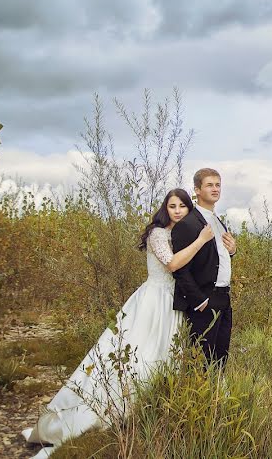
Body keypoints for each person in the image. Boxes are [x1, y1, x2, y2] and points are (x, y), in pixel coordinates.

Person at [22, 189, 215, 458]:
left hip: (173, 302)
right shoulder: (158, 234)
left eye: (182, 206)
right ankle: (114, 412)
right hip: (153, 301)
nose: (178, 211)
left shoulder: (181, 233)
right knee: (142, 355)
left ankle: (151, 411)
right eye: (172, 206)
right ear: (165, 209)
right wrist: (201, 240)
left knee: (166, 355)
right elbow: (172, 265)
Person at [171, 168, 236, 367]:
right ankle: (203, 398)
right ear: (197, 190)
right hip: (204, 300)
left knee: (221, 358)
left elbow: (216, 258)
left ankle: (217, 397)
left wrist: (232, 251)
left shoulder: (218, 221)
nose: (215, 189)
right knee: (202, 361)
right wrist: (199, 301)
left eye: (218, 185)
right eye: (209, 185)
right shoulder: (187, 224)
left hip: (224, 298)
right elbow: (179, 269)